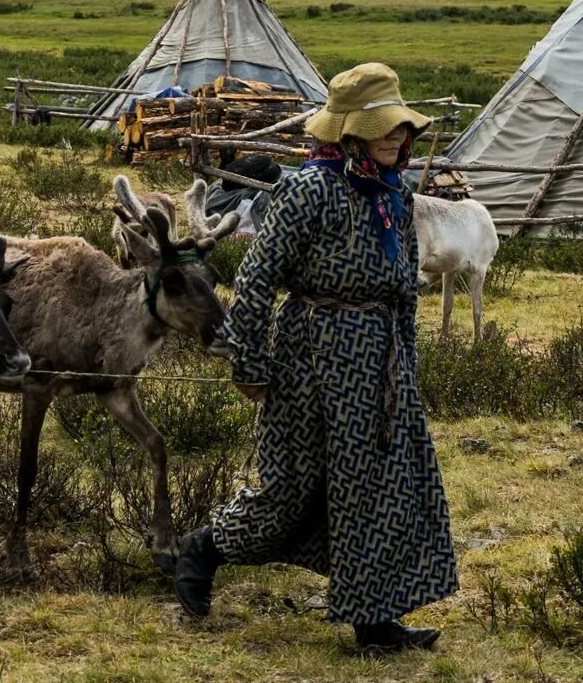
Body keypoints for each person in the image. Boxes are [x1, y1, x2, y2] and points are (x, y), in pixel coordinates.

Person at [173, 62, 458, 654]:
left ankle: (374, 620)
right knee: (289, 487)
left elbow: (403, 283)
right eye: (385, 127)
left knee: (381, 487)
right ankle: (204, 548)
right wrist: (248, 363)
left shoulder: (395, 197)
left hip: (379, 363)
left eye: (402, 128)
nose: (398, 137)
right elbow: (256, 278)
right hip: (311, 356)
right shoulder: (309, 190)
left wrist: (406, 361)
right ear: (349, 132)